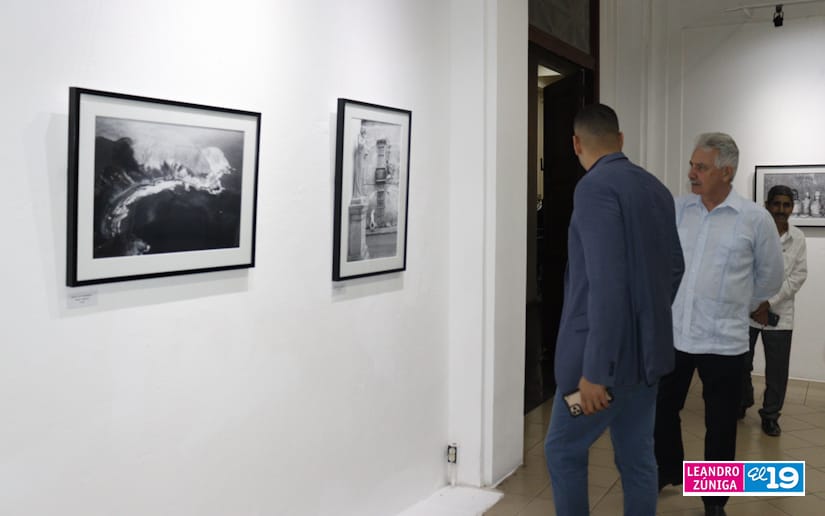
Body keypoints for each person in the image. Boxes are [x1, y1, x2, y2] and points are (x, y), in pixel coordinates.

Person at [544, 104, 684, 516]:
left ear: (576, 144)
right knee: (637, 458)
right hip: (647, 361)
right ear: (620, 139)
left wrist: (595, 372)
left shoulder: (593, 188)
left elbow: (605, 283)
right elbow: (675, 267)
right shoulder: (656, 188)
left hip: (600, 372)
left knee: (562, 449)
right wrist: (646, 321)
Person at [654, 133, 784, 516]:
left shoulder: (754, 219)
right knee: (661, 409)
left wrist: (733, 301)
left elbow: (770, 278)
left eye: (701, 167)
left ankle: (714, 501)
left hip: (724, 340)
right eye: (692, 165)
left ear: (726, 172)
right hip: (677, 334)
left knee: (721, 424)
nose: (691, 173)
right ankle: (669, 468)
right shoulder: (678, 209)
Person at [741, 185, 807, 436]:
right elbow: (744, 270)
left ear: (792, 208)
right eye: (776, 204)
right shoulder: (753, 232)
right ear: (767, 205)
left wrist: (768, 303)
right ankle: (742, 400)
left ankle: (770, 415)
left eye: (786, 205)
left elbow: (798, 276)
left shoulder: (797, 238)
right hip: (749, 311)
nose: (781, 209)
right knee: (740, 363)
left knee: (777, 371)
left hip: (780, 314)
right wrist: (756, 304)